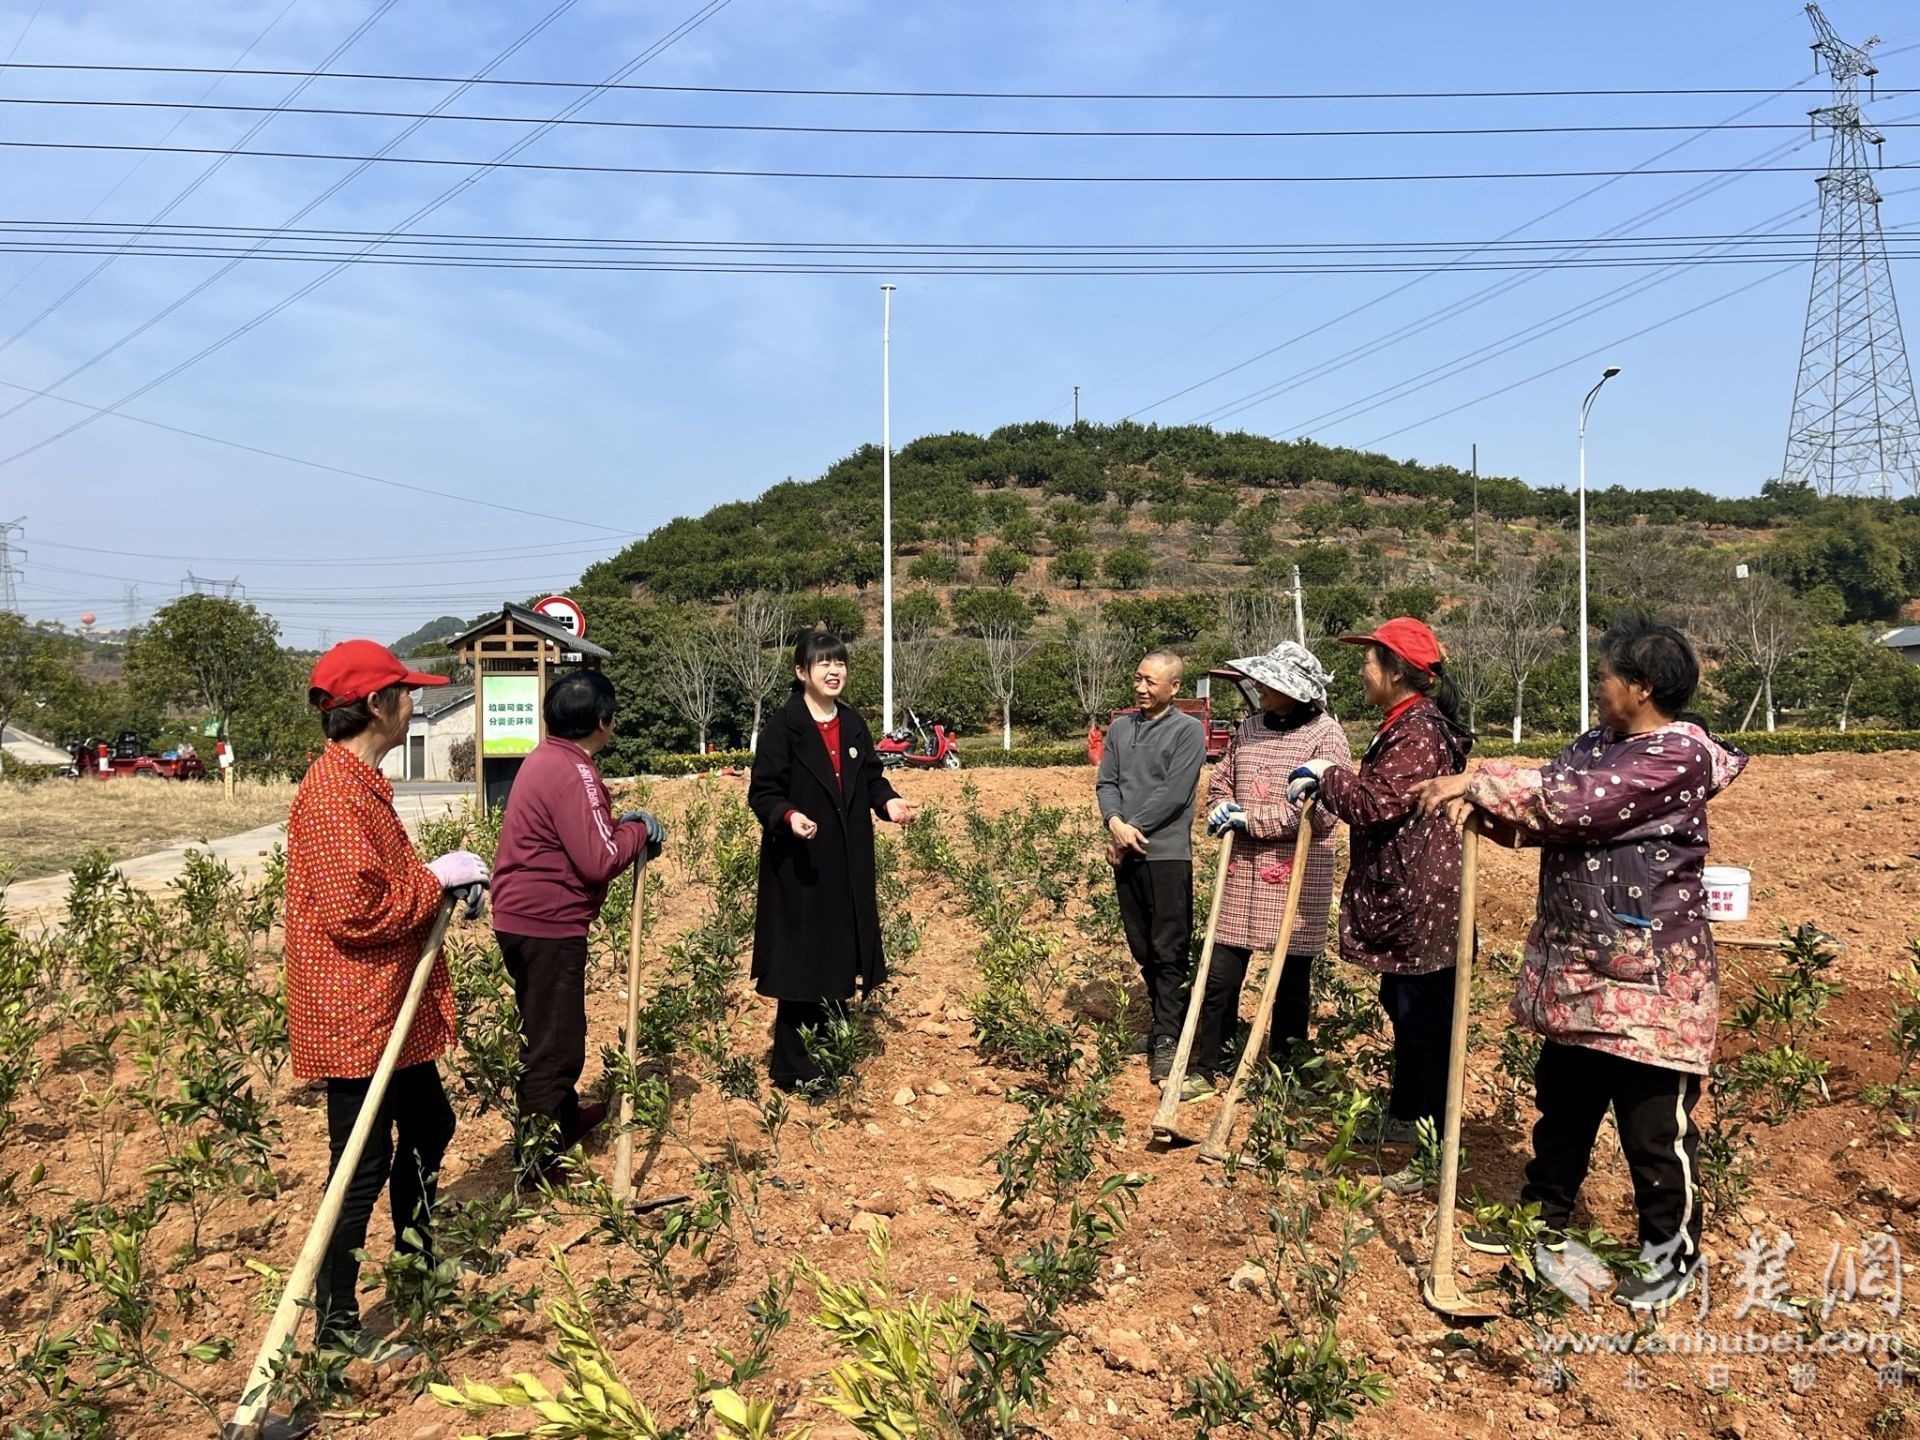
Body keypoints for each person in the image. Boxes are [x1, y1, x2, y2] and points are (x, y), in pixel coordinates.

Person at [1415, 616, 1747, 1311]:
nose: (1598, 686)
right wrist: (1494, 813)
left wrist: (1477, 782)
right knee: (1562, 1107)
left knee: (1654, 1131)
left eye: (1607, 675)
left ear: (1642, 686)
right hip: (1580, 966)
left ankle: (1670, 1257)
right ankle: (1541, 1223)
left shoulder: (1677, 755)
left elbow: (1573, 803)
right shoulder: (1599, 742)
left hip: (1652, 978)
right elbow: (1549, 798)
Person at [284, 640, 491, 1356]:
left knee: (431, 1124)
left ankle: (416, 1261)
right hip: (357, 1013)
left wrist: (436, 881)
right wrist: (435, 880)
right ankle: (337, 1332)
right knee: (358, 1167)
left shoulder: (360, 782)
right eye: (407, 693)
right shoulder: (335, 794)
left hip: (386, 1006)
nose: (416, 703)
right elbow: (356, 911)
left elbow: (378, 892)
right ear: (377, 705)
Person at [1288, 617, 1473, 1193]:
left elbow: (1376, 803)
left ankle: (1432, 1145)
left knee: (1425, 1021)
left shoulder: (1417, 730)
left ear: (1397, 672)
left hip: (1419, 894)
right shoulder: (1402, 724)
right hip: (1410, 889)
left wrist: (1327, 776)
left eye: (1370, 661)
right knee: (1404, 1004)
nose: (1361, 670)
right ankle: (1405, 1113)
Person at [491, 670, 667, 1185]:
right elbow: (598, 860)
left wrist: (618, 824)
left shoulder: (545, 759)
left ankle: (565, 1120)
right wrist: (636, 832)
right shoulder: (576, 772)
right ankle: (539, 1160)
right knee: (554, 1042)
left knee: (554, 1025)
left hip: (525, 917)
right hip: (548, 922)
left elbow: (581, 835)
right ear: (604, 722)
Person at [747, 631, 918, 1092]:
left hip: (846, 861)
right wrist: (789, 815)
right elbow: (763, 792)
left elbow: (871, 780)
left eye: (839, 662)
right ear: (802, 673)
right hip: (800, 862)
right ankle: (794, 1069)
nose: (834, 670)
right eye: (823, 664)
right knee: (803, 961)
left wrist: (889, 804)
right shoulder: (784, 727)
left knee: (840, 954)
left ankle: (832, 1057)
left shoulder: (852, 722)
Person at [1190, 643, 1352, 1098]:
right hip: (1242, 869)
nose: (1259, 687)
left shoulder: (1327, 735)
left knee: (1291, 980)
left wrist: (1254, 819)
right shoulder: (1248, 728)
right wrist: (1222, 805)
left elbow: (1322, 815)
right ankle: (1209, 1063)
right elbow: (1222, 778)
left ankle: (1287, 1070)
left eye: (1269, 681)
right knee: (1222, 973)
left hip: (1296, 871)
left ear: (1293, 690)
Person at [1096, 650, 1208, 1084]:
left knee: (1169, 949)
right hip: (1127, 853)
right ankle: (1165, 1023)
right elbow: (1107, 781)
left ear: (1174, 687)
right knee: (1142, 947)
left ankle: (1167, 1036)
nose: (1141, 688)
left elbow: (1175, 793)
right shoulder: (1121, 728)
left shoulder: (1187, 732)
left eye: (1151, 682)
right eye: (1138, 679)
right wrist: (1115, 822)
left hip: (1165, 855)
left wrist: (1130, 831)